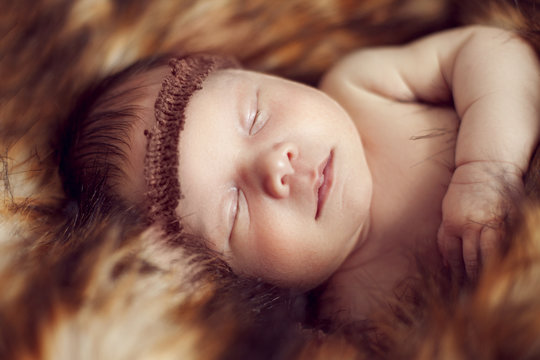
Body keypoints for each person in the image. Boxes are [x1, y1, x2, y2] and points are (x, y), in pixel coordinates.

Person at [60, 25, 540, 320]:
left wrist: (486, 169)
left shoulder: (362, 86)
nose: (275, 164)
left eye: (254, 117)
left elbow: (495, 51)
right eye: (233, 209)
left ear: (264, 76)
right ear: (238, 284)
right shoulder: (349, 318)